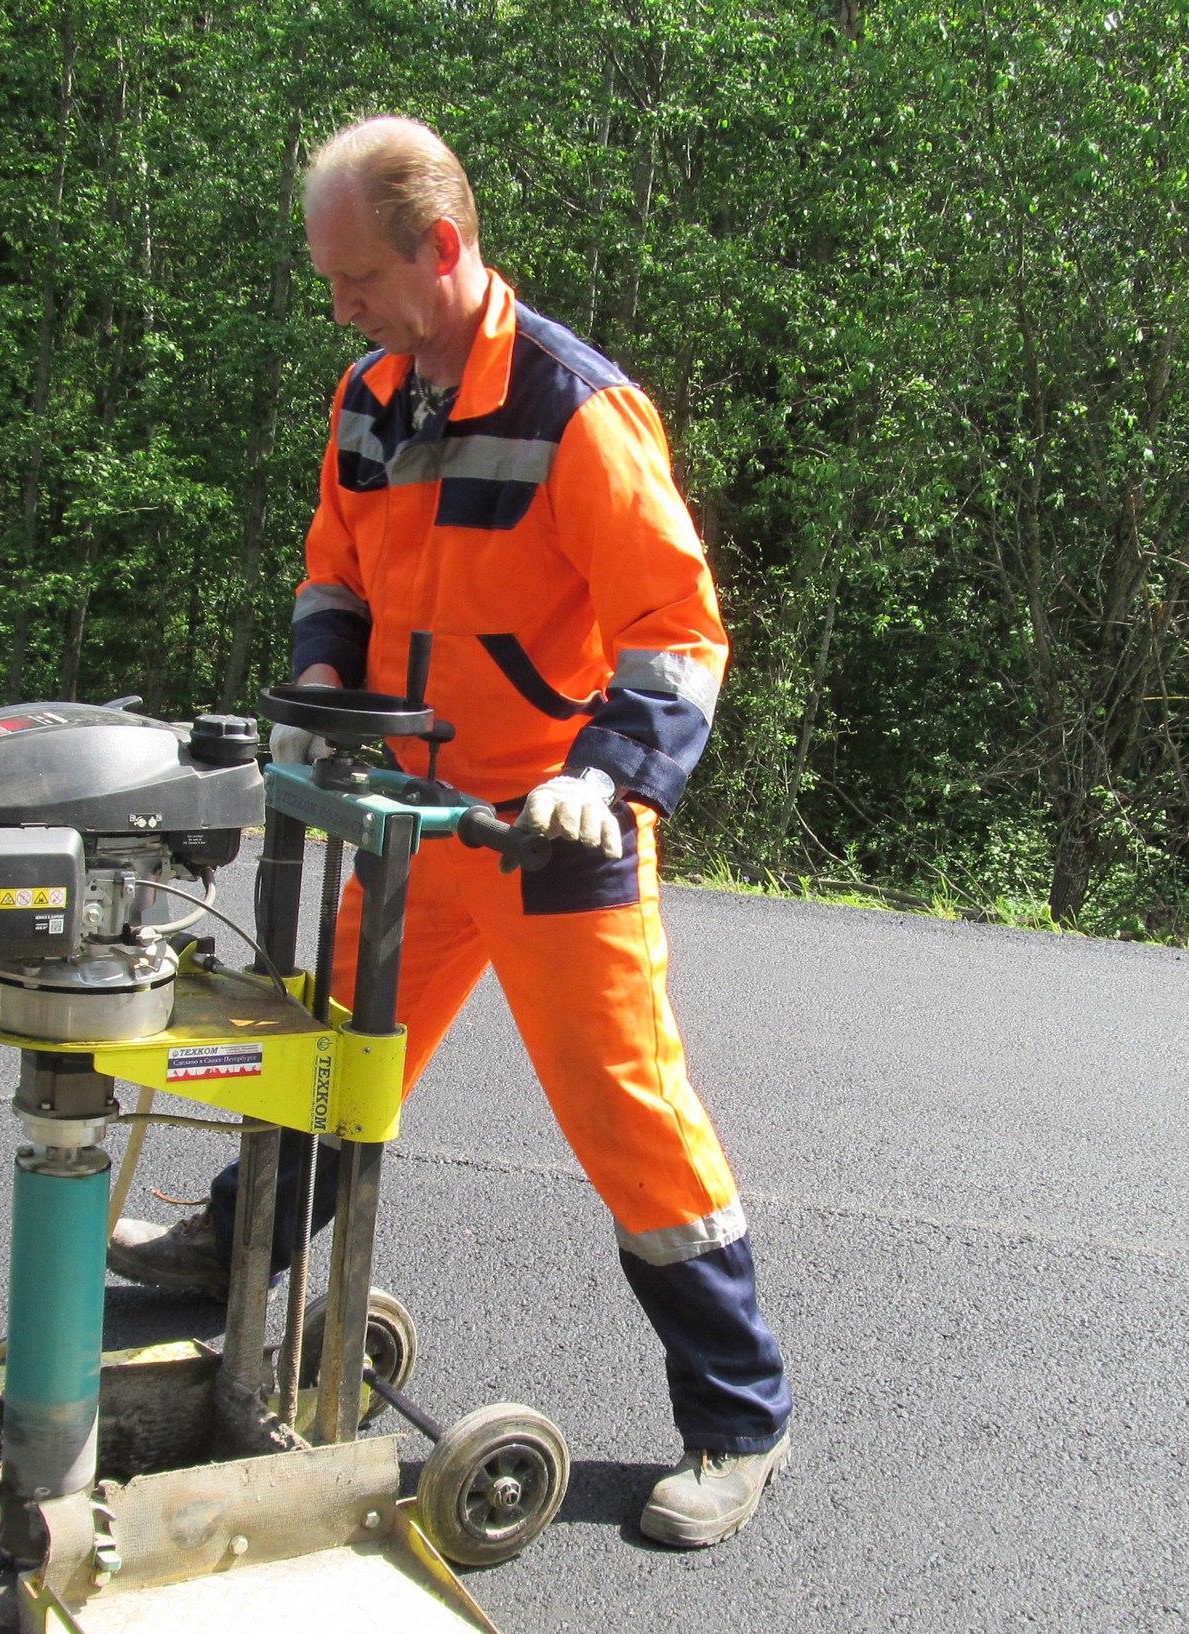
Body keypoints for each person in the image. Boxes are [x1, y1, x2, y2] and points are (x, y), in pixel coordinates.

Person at [110, 116, 791, 1548]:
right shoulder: (370, 399)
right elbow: (338, 576)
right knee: (329, 1060)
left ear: (440, 247)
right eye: (330, 279)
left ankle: (738, 1421)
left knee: (629, 1121)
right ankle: (230, 1248)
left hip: (549, 834)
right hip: (409, 821)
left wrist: (605, 776)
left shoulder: (577, 410)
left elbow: (678, 630)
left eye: (356, 277)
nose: (339, 305)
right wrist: (319, 692)